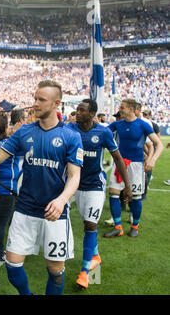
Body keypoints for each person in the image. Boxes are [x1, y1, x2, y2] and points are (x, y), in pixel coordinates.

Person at [0, 80, 83, 295]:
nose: (35, 103)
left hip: (55, 213)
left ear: (56, 103)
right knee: (12, 264)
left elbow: (74, 177)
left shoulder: (71, 136)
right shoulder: (23, 132)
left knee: (55, 270)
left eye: (41, 100)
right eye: (35, 98)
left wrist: (62, 200)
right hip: (25, 209)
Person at [68, 99, 132, 289]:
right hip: (75, 184)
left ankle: (85, 273)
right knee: (85, 223)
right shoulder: (70, 130)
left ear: (92, 113)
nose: (77, 113)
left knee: (89, 225)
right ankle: (95, 256)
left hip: (95, 184)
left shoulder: (103, 132)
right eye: (77, 109)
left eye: (81, 110)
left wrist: (126, 186)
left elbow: (118, 158)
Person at [104, 99, 163, 238]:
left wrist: (152, 159)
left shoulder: (143, 125)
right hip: (119, 163)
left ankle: (134, 226)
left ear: (131, 109)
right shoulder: (117, 124)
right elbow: (101, 132)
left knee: (135, 197)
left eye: (122, 107)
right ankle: (118, 227)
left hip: (136, 165)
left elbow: (158, 144)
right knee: (113, 193)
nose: (120, 110)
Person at [0, 112, 25, 267]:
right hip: (7, 189)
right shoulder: (10, 144)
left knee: (4, 221)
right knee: (2, 222)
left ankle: (6, 250)